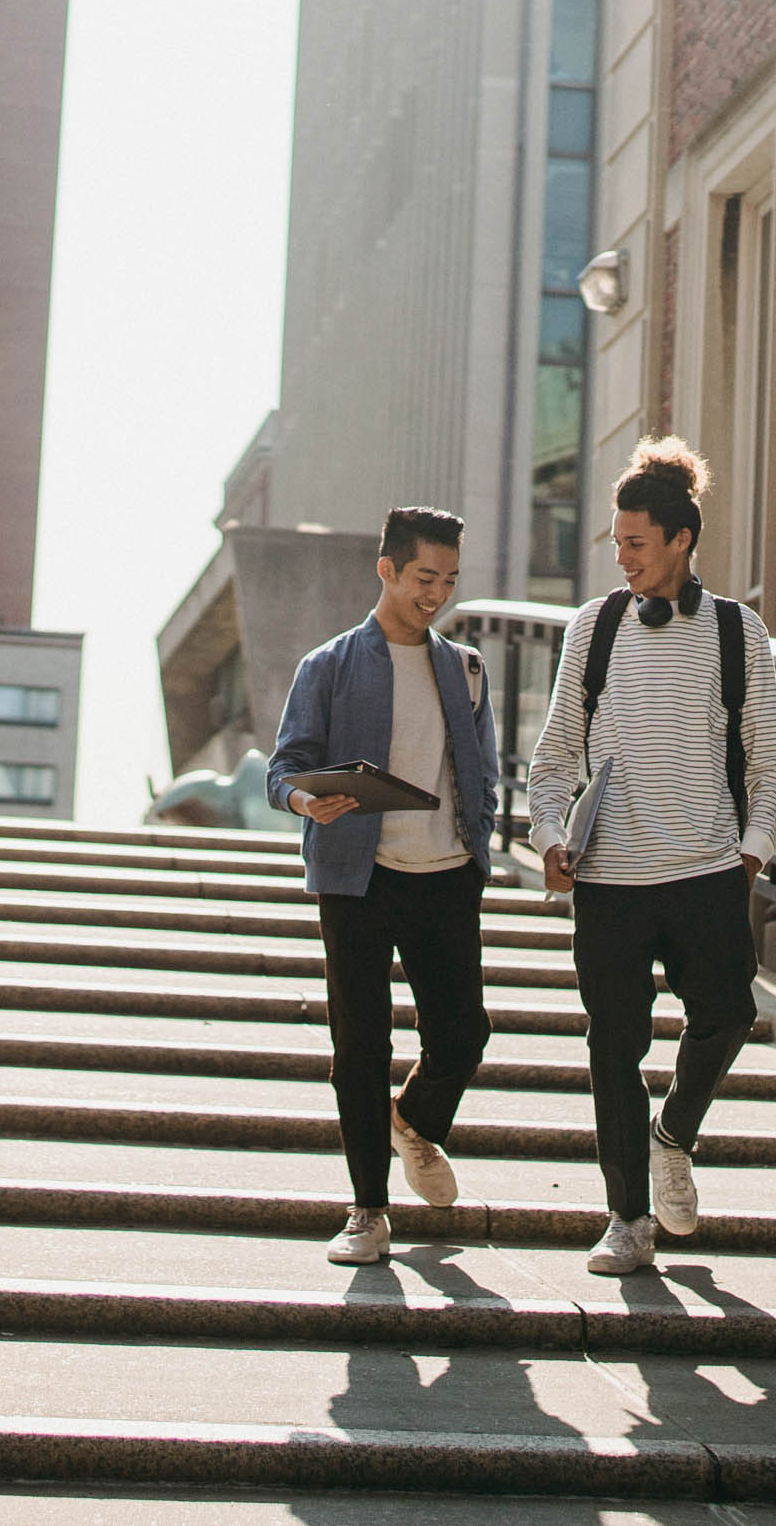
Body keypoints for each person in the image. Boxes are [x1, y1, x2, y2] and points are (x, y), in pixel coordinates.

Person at [525, 438, 776, 1275]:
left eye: (635, 542)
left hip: (709, 872)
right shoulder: (594, 627)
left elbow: (769, 753)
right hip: (611, 880)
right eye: (616, 542)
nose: (622, 556)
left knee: (730, 1015)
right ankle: (626, 1219)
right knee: (614, 1046)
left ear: (680, 538)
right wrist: (547, 833)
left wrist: (751, 851)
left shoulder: (735, 631)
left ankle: (672, 1133)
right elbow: (554, 753)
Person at [267, 507, 500, 1265]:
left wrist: (479, 846)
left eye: (450, 580)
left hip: (444, 877)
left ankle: (412, 1120)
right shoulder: (329, 666)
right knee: (360, 1044)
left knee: (464, 1034)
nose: (437, 594)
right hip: (356, 877)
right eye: (424, 577)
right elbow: (283, 768)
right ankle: (368, 1209)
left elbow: (484, 773)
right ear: (388, 570)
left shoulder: (464, 667)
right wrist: (308, 799)